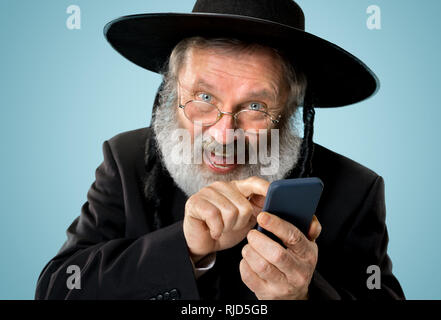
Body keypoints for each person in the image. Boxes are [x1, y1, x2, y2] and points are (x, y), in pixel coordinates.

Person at [35, 0, 405, 300]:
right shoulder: (127, 159)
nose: (225, 134)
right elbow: (59, 288)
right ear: (170, 95)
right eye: (204, 97)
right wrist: (184, 247)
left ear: (290, 113)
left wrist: (302, 296)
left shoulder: (356, 189)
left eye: (256, 107)